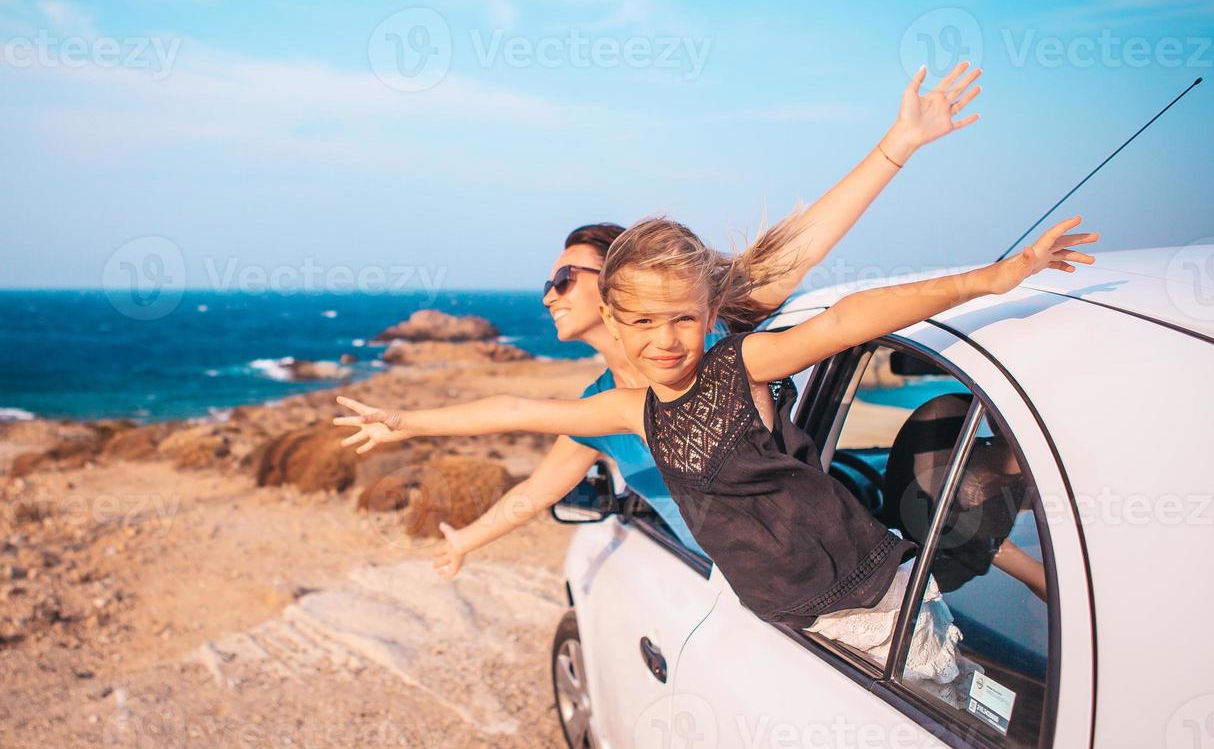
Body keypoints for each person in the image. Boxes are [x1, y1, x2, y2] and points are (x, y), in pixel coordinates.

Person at [333, 211, 1097, 702]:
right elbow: (519, 409)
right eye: (642, 322)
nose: (665, 339)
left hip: (874, 608)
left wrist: (994, 278)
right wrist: (406, 421)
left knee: (949, 742)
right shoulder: (628, 408)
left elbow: (844, 320)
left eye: (683, 320)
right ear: (616, 320)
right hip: (800, 624)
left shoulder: (739, 367)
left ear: (706, 316)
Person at [409, 61, 986, 570]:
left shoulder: (713, 336)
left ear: (616, 288)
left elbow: (801, 245)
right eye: (547, 283)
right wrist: (464, 541)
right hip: (759, 589)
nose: (549, 294)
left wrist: (900, 143)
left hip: (840, 538)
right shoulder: (602, 408)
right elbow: (535, 492)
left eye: (563, 279)